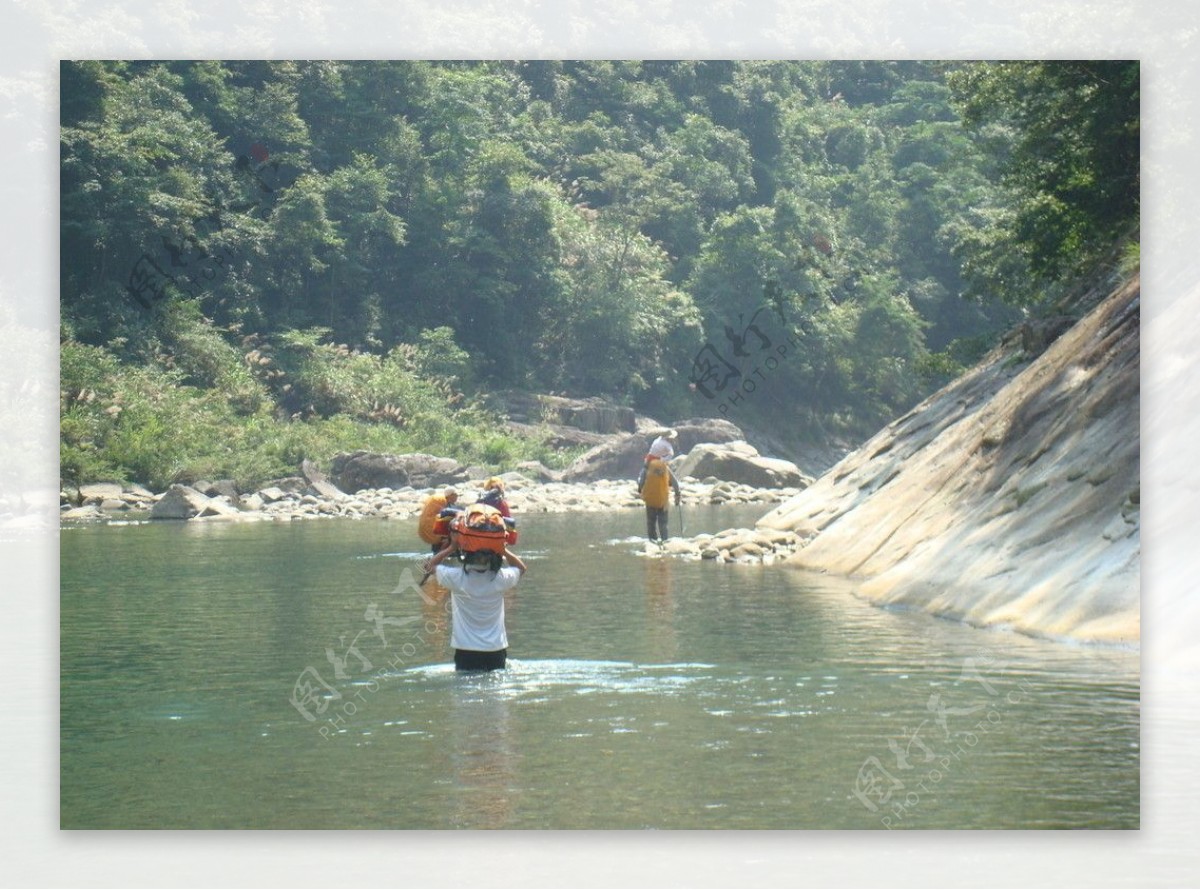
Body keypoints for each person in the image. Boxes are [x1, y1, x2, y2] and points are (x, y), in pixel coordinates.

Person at [423, 543, 528, 672]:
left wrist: (451, 547)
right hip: (495, 649)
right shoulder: (500, 578)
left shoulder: (457, 577)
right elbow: (521, 568)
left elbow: (429, 566)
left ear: (466, 556)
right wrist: (503, 550)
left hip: (466, 651)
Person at [637, 452, 681, 543]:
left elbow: (641, 481)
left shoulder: (647, 468)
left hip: (650, 500)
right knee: (663, 524)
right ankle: (665, 542)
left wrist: (640, 490)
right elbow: (675, 482)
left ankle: (653, 541)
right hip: (663, 500)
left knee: (651, 523)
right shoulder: (665, 468)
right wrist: (677, 494)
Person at [417, 487, 459, 554]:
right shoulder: (441, 500)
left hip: (426, 528)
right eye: (456, 496)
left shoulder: (438, 498)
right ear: (451, 495)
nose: (457, 497)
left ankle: (438, 554)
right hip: (432, 529)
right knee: (451, 530)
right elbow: (445, 511)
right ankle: (440, 554)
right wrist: (462, 512)